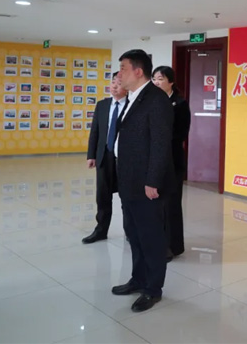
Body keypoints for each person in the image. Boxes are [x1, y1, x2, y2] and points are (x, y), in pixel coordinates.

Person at [111, 49, 175, 313]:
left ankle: (153, 288)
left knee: (150, 238)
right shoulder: (133, 98)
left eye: (123, 68)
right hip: (129, 180)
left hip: (147, 184)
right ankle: (138, 279)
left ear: (138, 71)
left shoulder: (156, 100)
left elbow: (160, 145)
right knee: (134, 235)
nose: (119, 74)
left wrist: (153, 181)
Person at [82, 71, 128, 244]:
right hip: (104, 155)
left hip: (124, 158)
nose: (114, 86)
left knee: (126, 196)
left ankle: (130, 231)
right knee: (102, 196)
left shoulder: (132, 105)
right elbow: (95, 131)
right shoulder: (102, 105)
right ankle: (101, 230)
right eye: (113, 82)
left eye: (119, 83)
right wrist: (91, 155)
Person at [152, 65, 191, 261]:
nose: (157, 82)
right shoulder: (152, 102)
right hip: (155, 160)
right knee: (157, 204)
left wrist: (159, 140)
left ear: (171, 82)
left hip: (172, 160)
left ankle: (173, 245)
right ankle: (158, 241)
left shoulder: (180, 104)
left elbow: (181, 134)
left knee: (171, 203)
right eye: (154, 79)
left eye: (160, 79)